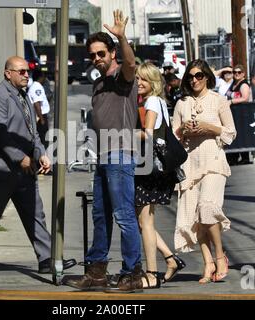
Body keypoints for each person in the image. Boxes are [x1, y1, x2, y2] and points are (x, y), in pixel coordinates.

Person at [0, 56, 76, 274]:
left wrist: (41, 154)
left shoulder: (22, 96)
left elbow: (32, 133)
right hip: (1, 169)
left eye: (27, 71)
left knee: (36, 214)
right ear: (8, 73)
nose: (26, 75)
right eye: (21, 71)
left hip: (24, 170)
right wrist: (20, 157)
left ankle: (47, 259)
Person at [65, 10, 144, 293]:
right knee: (100, 214)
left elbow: (132, 63)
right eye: (93, 56)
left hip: (120, 154)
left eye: (101, 53)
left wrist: (121, 36)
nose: (97, 59)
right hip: (103, 156)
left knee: (124, 216)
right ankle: (96, 272)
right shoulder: (98, 82)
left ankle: (132, 274)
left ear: (112, 53)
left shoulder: (123, 77)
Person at [172, 59, 236, 284]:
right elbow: (174, 137)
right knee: (195, 218)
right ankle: (207, 263)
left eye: (199, 75)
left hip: (214, 161)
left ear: (207, 77)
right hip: (190, 163)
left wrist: (209, 127)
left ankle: (220, 256)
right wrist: (184, 129)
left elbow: (230, 133)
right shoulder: (182, 104)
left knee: (207, 208)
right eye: (190, 76)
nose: (194, 80)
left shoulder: (219, 101)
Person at [135, 63, 186, 289]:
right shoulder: (158, 102)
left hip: (150, 169)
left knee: (144, 221)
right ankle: (170, 259)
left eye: (143, 79)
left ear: (153, 82)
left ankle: (152, 274)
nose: (138, 83)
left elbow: (147, 134)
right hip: (154, 169)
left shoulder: (152, 101)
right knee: (143, 220)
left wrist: (122, 132)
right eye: (137, 79)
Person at [225, 64, 251, 165]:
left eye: (239, 72)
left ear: (243, 74)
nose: (236, 74)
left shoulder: (243, 84)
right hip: (235, 114)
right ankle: (234, 157)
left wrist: (231, 102)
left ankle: (244, 157)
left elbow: (245, 98)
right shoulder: (234, 83)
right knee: (235, 134)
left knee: (242, 135)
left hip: (243, 113)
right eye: (234, 72)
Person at [28, 69, 50, 150]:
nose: (45, 79)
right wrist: (42, 119)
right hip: (40, 116)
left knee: (43, 138)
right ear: (40, 77)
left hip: (39, 116)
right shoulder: (37, 87)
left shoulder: (34, 86)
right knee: (42, 139)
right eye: (44, 77)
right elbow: (37, 104)